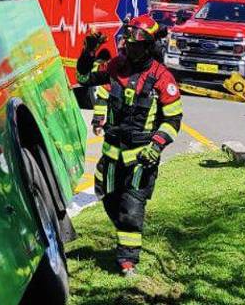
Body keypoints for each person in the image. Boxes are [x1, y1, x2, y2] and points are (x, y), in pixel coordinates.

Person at [75, 15, 183, 276]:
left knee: (131, 210)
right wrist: (88, 52)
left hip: (141, 159)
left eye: (135, 45)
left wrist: (155, 146)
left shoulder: (162, 78)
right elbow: (83, 77)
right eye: (127, 43)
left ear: (148, 47)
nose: (128, 48)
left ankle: (127, 262)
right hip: (111, 158)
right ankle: (125, 246)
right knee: (111, 202)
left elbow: (173, 119)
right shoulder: (115, 66)